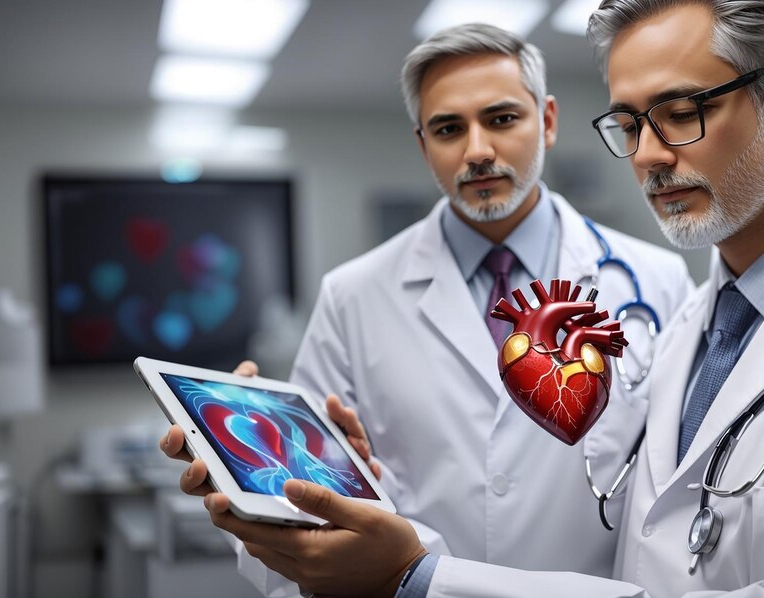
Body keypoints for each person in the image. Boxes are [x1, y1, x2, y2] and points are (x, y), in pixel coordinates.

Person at [170, 1, 764, 595]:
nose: (649, 156)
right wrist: (305, 486)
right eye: (628, 123)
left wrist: (423, 578)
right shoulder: (702, 313)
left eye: (682, 112)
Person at [161, 22, 694, 597]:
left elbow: (682, 495)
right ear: (422, 144)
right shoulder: (354, 296)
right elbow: (301, 508)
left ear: (547, 121)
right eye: (448, 129)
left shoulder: (658, 281)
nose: (478, 150)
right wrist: (248, 466)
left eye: (502, 118)